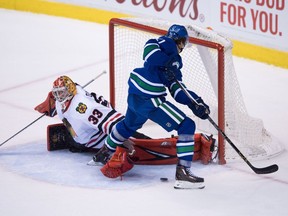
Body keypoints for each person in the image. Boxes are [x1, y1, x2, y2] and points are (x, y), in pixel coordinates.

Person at [94, 24, 210, 189]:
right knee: (187, 125)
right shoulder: (160, 47)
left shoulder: (159, 48)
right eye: (183, 42)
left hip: (135, 94)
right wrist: (169, 62)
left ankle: (103, 153)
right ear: (180, 41)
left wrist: (195, 103)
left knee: (128, 125)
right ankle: (183, 173)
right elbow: (152, 57)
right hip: (150, 99)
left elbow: (177, 88)